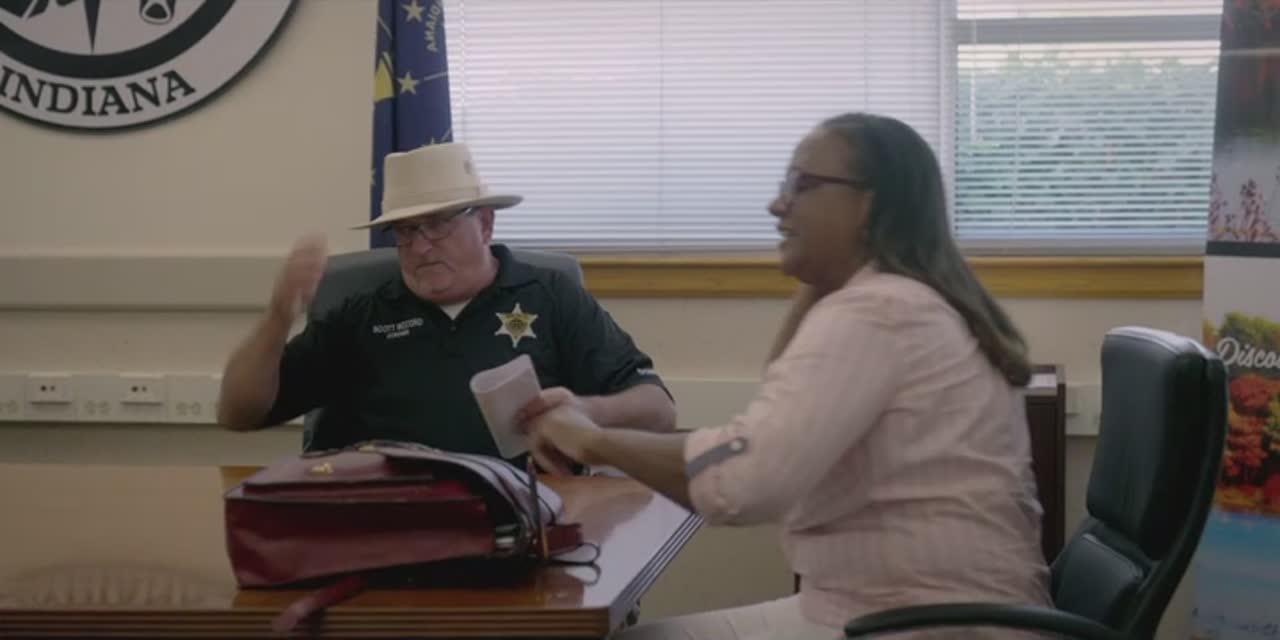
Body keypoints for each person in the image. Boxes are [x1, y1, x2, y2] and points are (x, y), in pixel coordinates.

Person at [517, 113, 1053, 639]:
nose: (778, 205)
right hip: (891, 608)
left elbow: (744, 483)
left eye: (802, 184)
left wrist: (593, 441)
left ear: (868, 204)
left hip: (927, 623)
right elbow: (763, 426)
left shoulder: (877, 313)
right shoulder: (893, 301)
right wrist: (819, 277)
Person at [217, 142, 676, 458]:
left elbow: (659, 411)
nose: (420, 246)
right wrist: (277, 319)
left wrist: (588, 412)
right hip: (387, 527)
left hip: (527, 518)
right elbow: (237, 414)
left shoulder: (551, 296)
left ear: (486, 225)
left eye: (438, 225)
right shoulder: (362, 315)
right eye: (405, 231)